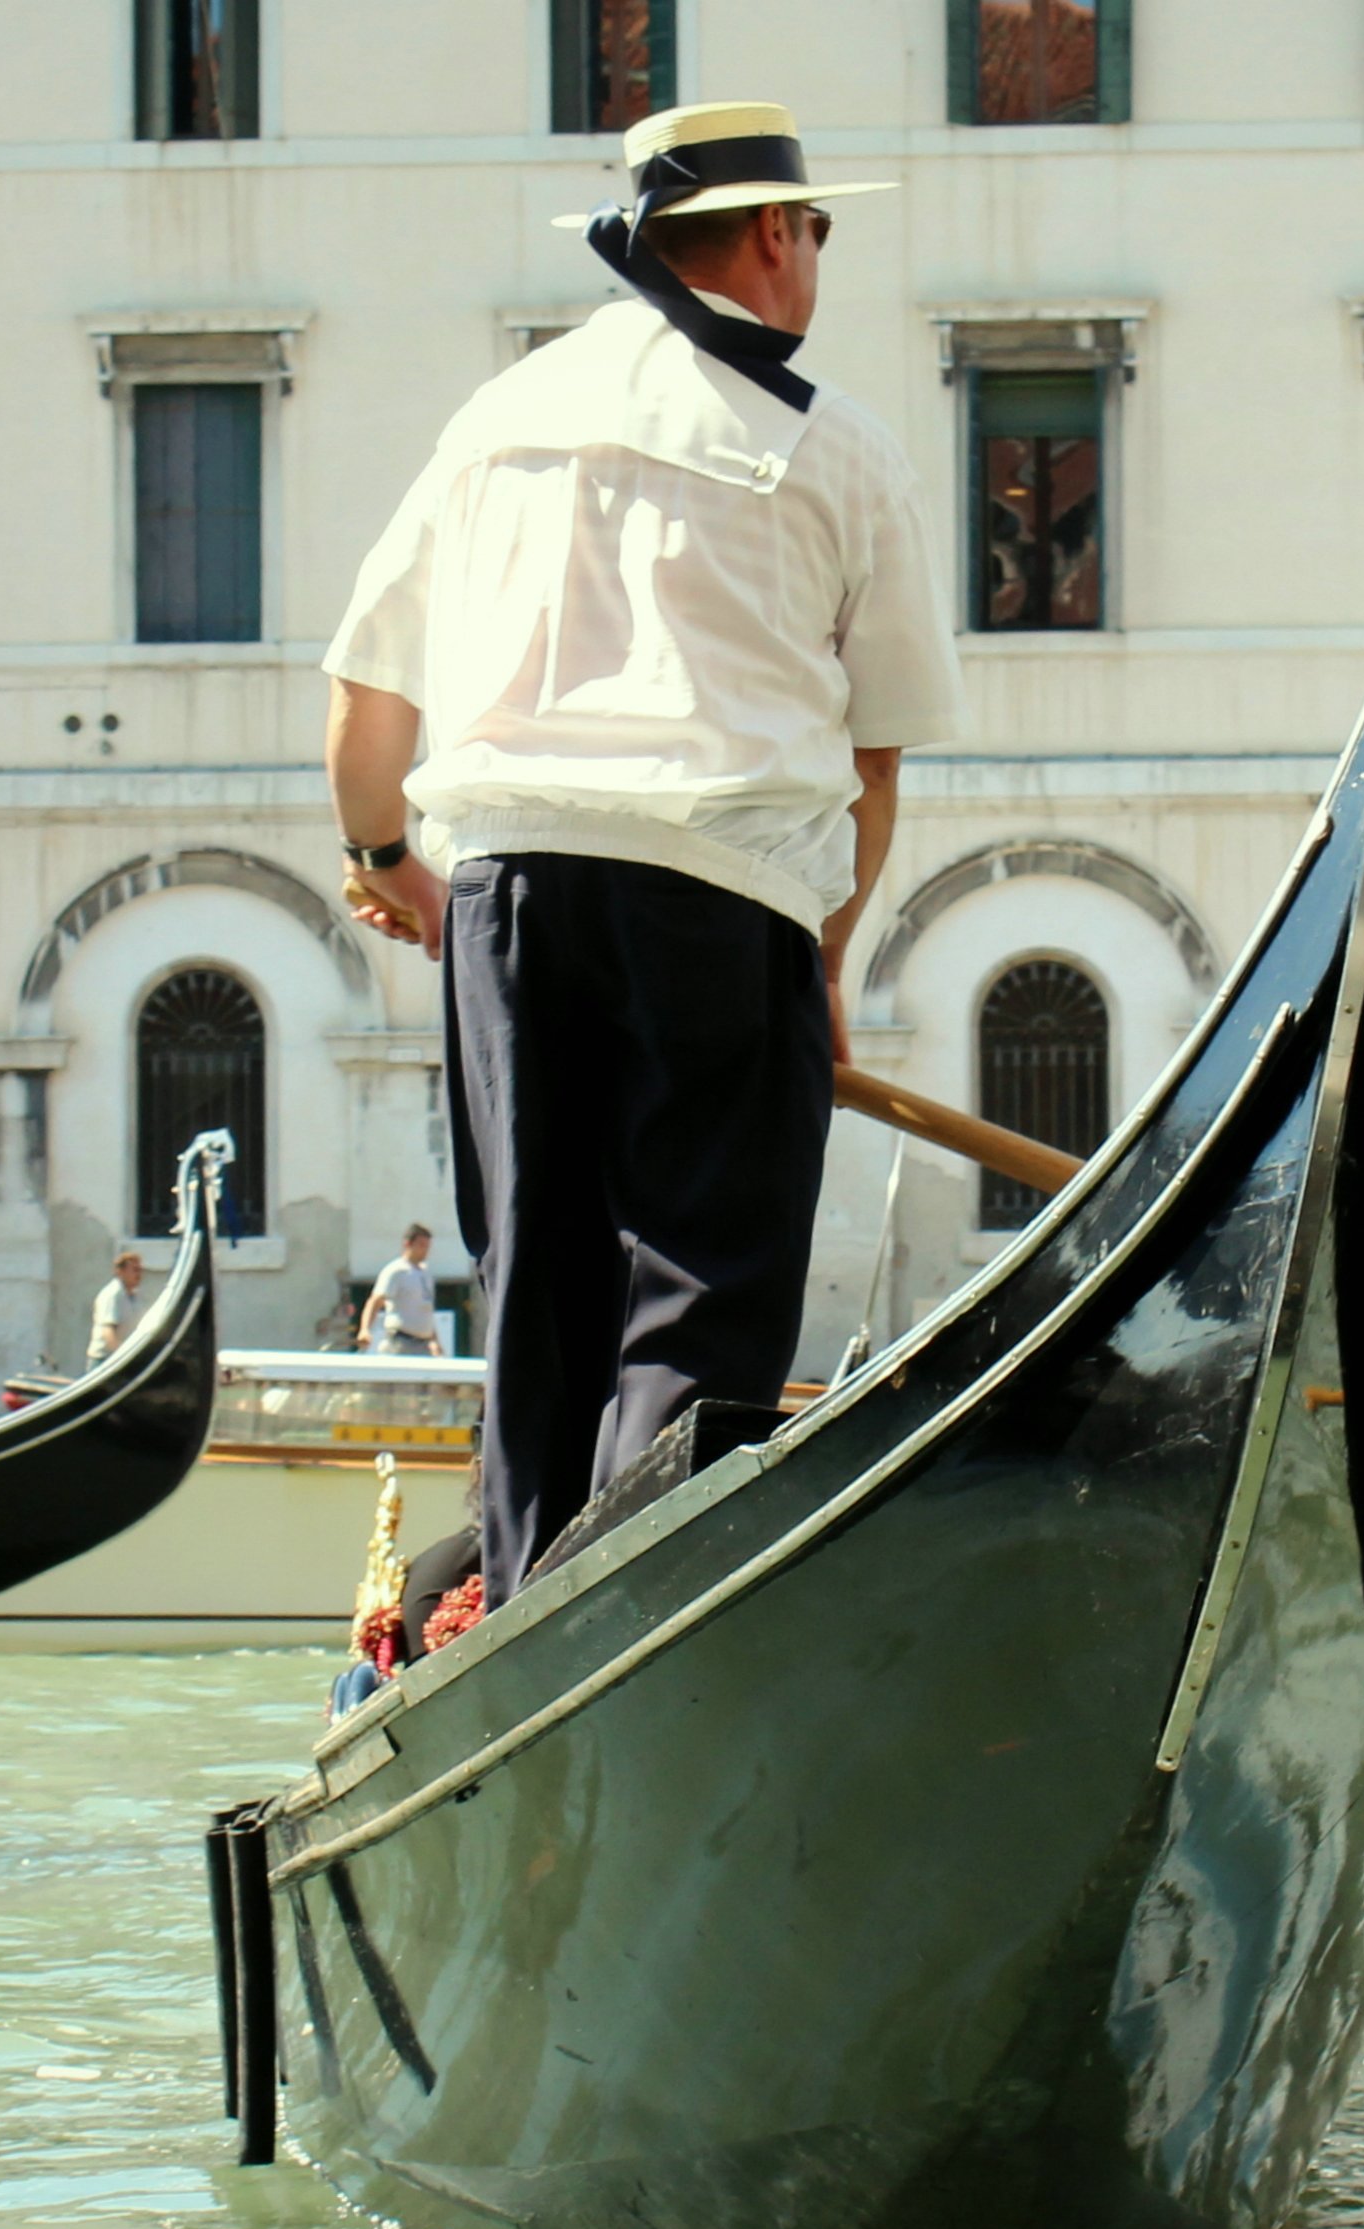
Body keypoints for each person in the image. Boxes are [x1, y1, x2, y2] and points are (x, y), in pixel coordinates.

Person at [321, 100, 959, 1607]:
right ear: (772, 235)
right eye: (816, 229)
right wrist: (824, 965)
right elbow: (875, 760)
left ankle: (523, 1603)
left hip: (507, 897)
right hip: (725, 900)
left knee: (535, 1281)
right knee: (701, 1289)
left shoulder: (492, 423)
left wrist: (387, 857)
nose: (817, 254)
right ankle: (632, 1608)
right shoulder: (840, 448)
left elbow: (364, 701)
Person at [359, 1224, 443, 1357]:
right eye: (421, 1245)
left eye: (427, 1246)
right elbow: (375, 1301)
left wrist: (435, 1340)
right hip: (401, 1342)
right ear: (408, 1244)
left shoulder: (426, 1273)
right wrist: (365, 1329)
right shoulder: (396, 1270)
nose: (425, 1250)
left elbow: (425, 1311)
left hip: (424, 1344)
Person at [87, 1248, 146, 1365]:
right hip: (105, 1360)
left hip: (124, 1358)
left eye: (140, 1270)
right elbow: (108, 1332)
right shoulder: (112, 1294)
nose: (139, 1274)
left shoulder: (133, 1296)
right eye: (135, 1270)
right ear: (121, 1272)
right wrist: (121, 1356)